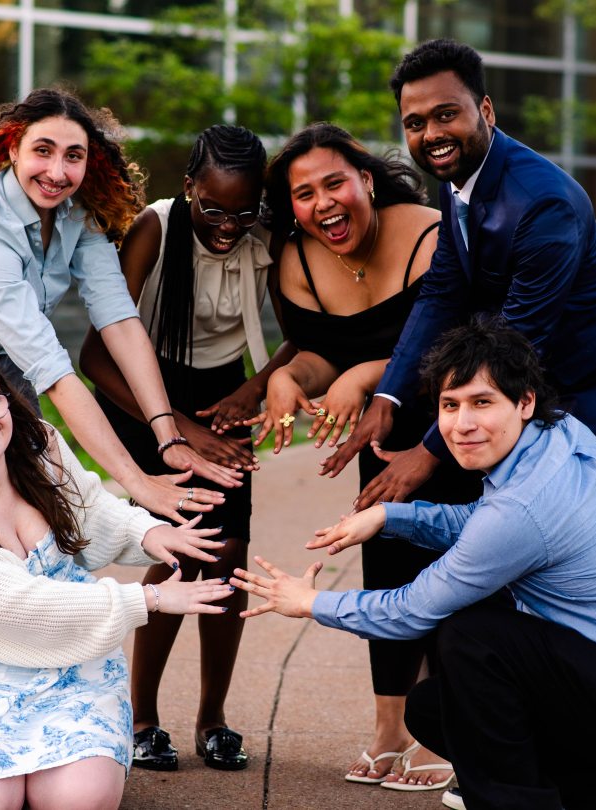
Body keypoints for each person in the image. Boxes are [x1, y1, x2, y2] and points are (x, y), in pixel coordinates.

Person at [0, 88, 239, 796]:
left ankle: (37, 682)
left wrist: (166, 438)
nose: (57, 170)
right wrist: (141, 485)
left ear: (92, 163)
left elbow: (119, 323)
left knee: (45, 505)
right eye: (43, 151)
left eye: (74, 155)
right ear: (11, 149)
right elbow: (54, 370)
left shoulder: (79, 217)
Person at [234, 320, 596, 810]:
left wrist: (310, 603)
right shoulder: (558, 432)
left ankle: (516, 802)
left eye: (482, 403)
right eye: (450, 405)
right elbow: (482, 521)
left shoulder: (523, 509)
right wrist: (389, 516)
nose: (462, 424)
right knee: (433, 710)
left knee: (470, 635)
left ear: (524, 402)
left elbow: (413, 609)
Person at [324, 39, 596, 512]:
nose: (432, 134)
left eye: (446, 114)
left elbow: (515, 341)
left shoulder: (543, 203)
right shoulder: (457, 178)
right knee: (533, 527)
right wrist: (389, 396)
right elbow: (442, 292)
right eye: (415, 123)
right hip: (555, 377)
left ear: (486, 111)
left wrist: (426, 454)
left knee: (579, 528)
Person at [0, 346, 235, 810]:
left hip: (72, 667)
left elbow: (90, 507)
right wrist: (148, 598)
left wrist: (150, 533)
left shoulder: (37, 448)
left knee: (78, 799)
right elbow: (18, 605)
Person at [246, 122, 483, 791]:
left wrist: (366, 377)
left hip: (457, 423)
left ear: (367, 182)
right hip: (381, 436)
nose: (322, 203)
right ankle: (391, 728)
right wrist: (289, 379)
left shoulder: (433, 234)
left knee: (453, 563)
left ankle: (445, 726)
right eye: (303, 194)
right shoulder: (296, 260)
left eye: (335, 184)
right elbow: (321, 350)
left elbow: (457, 345)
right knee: (386, 559)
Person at [80, 124, 294, 771]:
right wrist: (174, 427)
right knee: (184, 551)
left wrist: (254, 389)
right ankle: (141, 718)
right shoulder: (156, 227)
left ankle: (213, 720)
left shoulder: (266, 235)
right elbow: (96, 355)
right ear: (189, 187)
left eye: (243, 212)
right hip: (144, 394)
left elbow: (309, 329)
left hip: (224, 394)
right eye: (213, 208)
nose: (228, 226)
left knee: (228, 558)